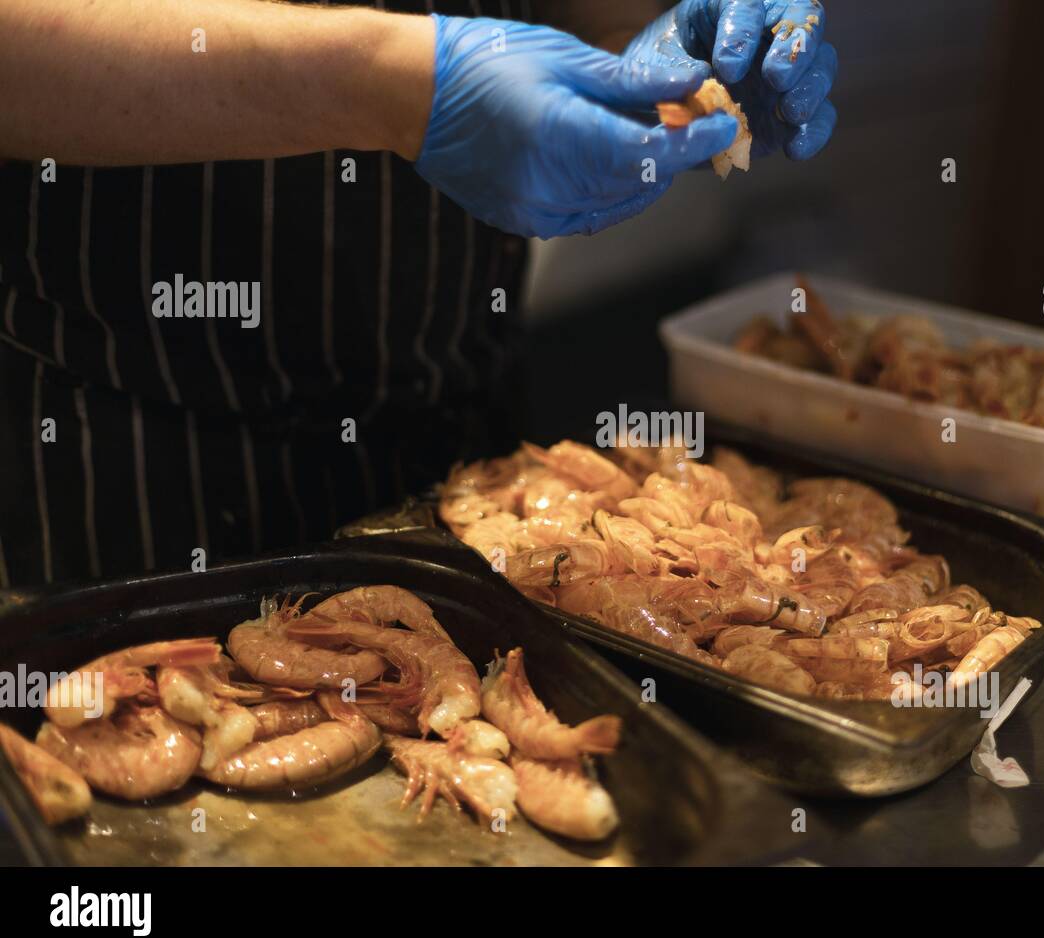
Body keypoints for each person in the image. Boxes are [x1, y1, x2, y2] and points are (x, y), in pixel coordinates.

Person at [0, 0, 837, 587]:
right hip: (132, 448)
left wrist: (644, 58)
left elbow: (597, 13)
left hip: (461, 429)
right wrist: (393, 81)